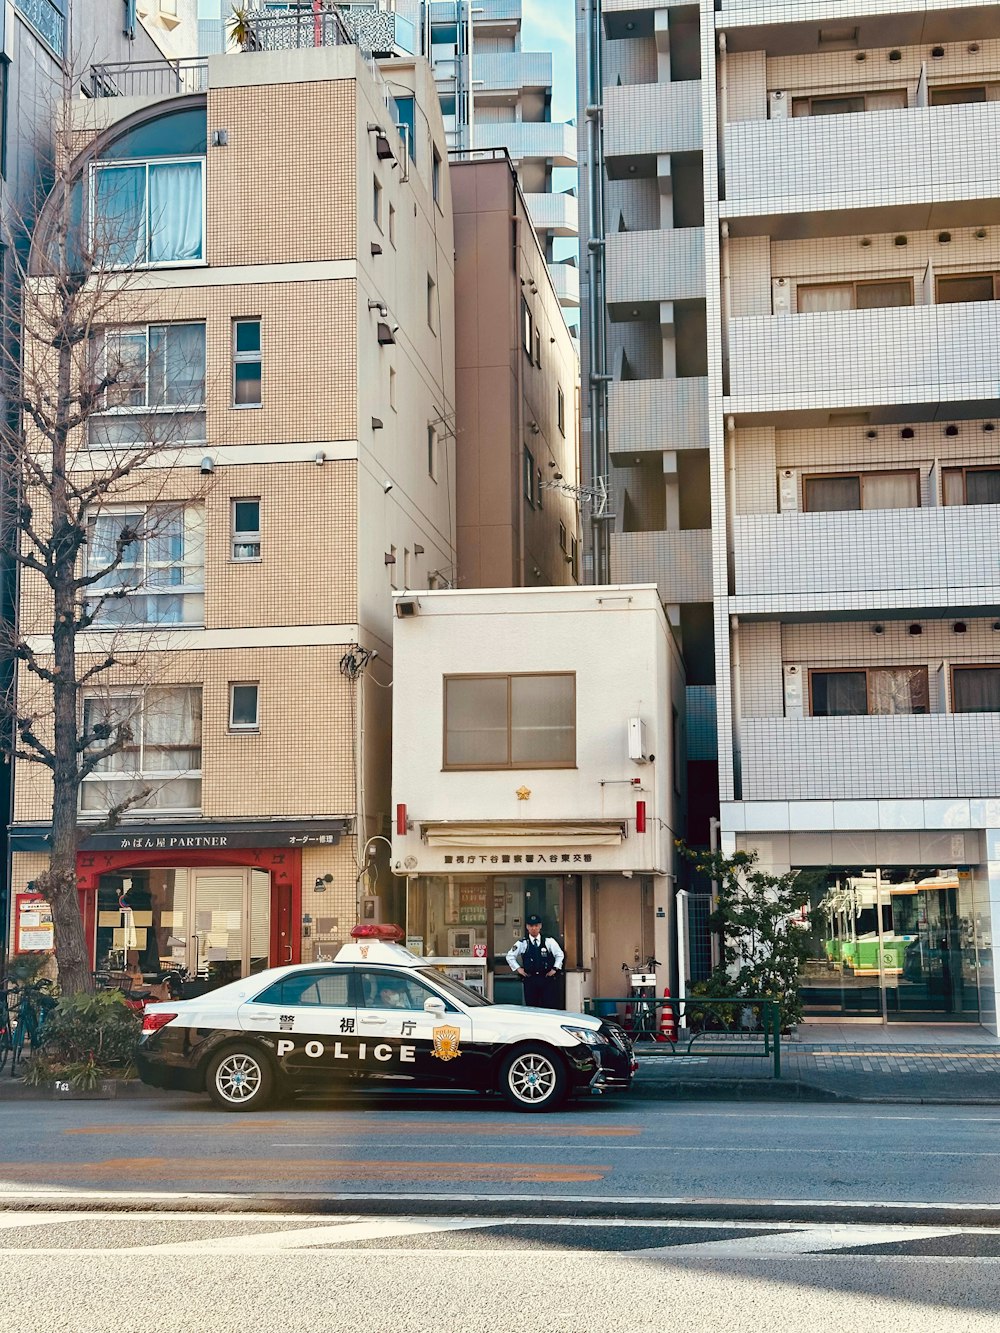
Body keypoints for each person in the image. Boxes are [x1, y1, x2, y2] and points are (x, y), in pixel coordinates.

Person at [506, 915, 564, 1008]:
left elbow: (559, 954)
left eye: (536, 926)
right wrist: (518, 969)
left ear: (540, 926)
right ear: (527, 927)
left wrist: (555, 968)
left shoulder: (548, 941)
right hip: (530, 979)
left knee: (548, 1006)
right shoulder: (523, 943)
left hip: (546, 978)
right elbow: (510, 956)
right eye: (531, 926)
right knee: (531, 1007)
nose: (534, 928)